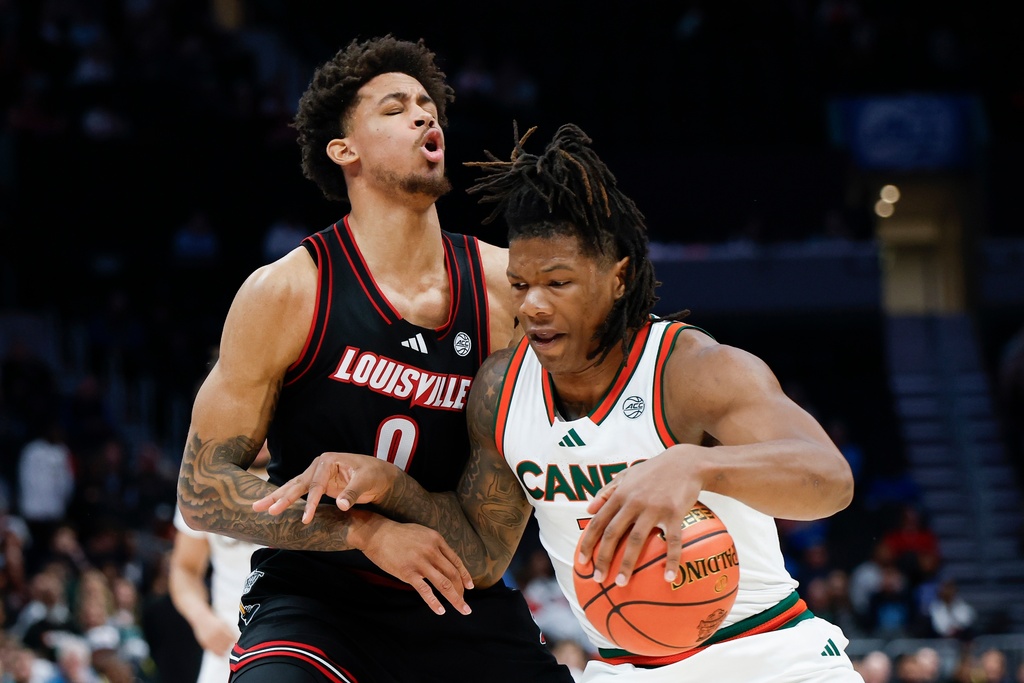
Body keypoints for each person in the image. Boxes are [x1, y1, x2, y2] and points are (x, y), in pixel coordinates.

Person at [255, 123, 864, 682]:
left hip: (770, 653)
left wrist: (698, 465)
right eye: (520, 285)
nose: (533, 305)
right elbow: (483, 556)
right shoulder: (500, 388)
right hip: (623, 667)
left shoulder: (693, 369)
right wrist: (389, 486)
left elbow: (829, 480)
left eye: (558, 283)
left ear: (619, 278)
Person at [175, 35, 572, 683]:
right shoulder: (289, 291)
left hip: (455, 592)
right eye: (395, 108)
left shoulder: (506, 291)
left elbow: (486, 552)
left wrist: (392, 490)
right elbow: (202, 490)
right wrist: (363, 531)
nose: (423, 116)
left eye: (427, 107)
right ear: (344, 150)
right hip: (314, 601)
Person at [169, 444, 269, 683]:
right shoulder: (205, 484)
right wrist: (201, 618)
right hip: (228, 641)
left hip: (296, 632)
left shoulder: (306, 474)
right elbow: (184, 568)